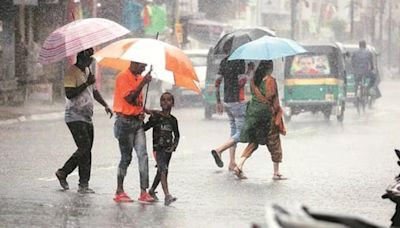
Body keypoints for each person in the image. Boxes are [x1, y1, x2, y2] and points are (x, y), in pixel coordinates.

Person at [55, 48, 113, 193]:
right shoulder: (71, 72)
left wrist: (105, 105)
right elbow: (69, 94)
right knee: (84, 147)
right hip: (74, 116)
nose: (90, 62)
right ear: (81, 58)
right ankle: (63, 172)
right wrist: (86, 83)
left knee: (87, 150)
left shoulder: (87, 71)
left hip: (87, 116)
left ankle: (84, 184)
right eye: (89, 60)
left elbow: (94, 91)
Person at [234, 60, 287, 180]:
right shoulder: (270, 80)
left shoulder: (253, 80)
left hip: (253, 113)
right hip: (266, 115)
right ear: (270, 68)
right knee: (274, 142)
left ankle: (239, 164)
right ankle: (276, 172)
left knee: (253, 141)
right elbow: (273, 99)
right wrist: (278, 112)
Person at [112, 61, 155, 203]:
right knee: (126, 157)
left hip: (137, 123)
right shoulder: (123, 77)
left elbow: (136, 102)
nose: (143, 69)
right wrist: (143, 83)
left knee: (143, 156)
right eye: (142, 65)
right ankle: (119, 191)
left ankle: (144, 191)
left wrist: (143, 111)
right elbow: (129, 98)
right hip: (125, 123)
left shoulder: (138, 77)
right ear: (134, 63)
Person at [210, 54, 248, 171]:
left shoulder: (224, 61)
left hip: (227, 101)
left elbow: (217, 82)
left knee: (233, 132)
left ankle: (232, 162)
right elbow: (241, 82)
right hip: (237, 101)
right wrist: (249, 72)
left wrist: (218, 101)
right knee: (240, 133)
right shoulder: (240, 61)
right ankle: (219, 150)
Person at [144, 92, 180, 206]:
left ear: (173, 103)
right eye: (163, 100)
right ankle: (167, 195)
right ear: (160, 103)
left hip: (168, 150)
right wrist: (141, 119)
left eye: (169, 100)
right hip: (158, 149)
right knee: (163, 169)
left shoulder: (173, 120)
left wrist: (174, 146)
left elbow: (177, 135)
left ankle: (151, 190)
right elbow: (145, 127)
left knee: (161, 171)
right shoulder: (156, 117)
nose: (166, 102)